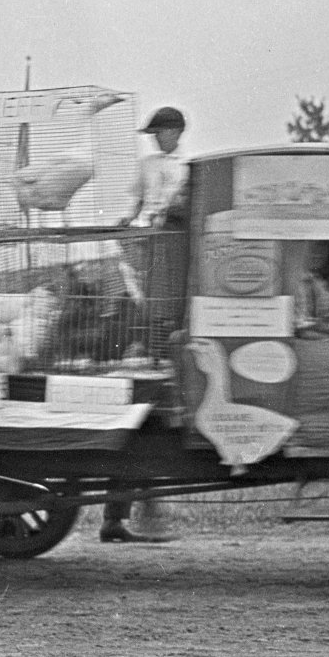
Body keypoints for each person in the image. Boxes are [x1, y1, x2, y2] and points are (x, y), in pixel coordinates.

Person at [100, 105, 194, 543]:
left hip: (172, 242)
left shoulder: (188, 169)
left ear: (178, 132)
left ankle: (124, 517)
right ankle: (153, 345)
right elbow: (135, 204)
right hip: (151, 242)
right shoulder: (147, 165)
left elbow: (185, 210)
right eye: (155, 133)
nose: (159, 139)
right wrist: (128, 220)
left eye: (164, 132)